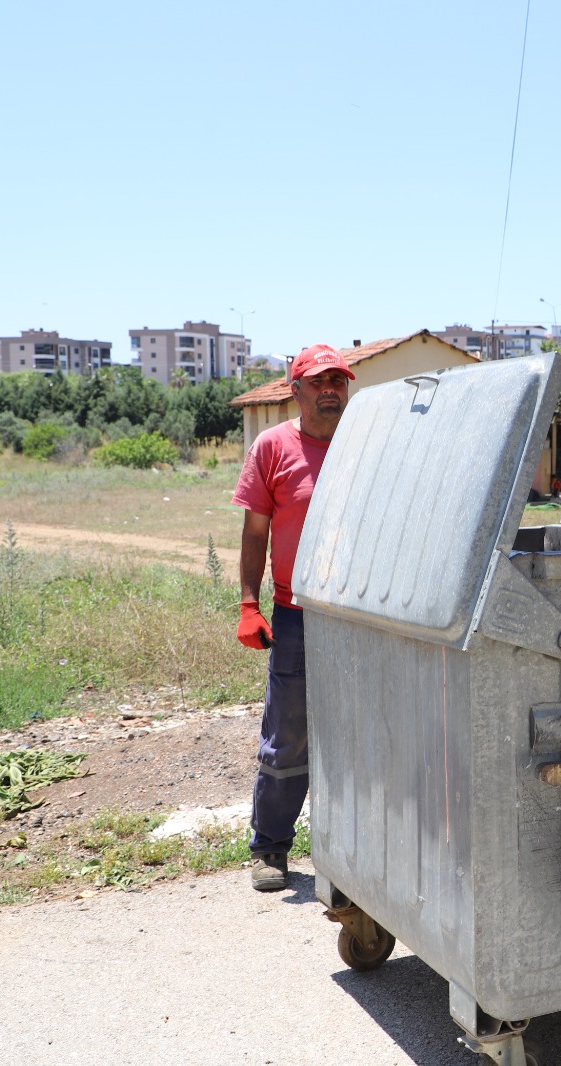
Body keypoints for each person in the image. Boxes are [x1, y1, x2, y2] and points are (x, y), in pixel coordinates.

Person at [233, 343, 355, 891]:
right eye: (319, 381)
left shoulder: (364, 444)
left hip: (360, 615)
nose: (331, 390)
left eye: (338, 381)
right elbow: (255, 533)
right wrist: (248, 604)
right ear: (296, 389)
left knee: (362, 732)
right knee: (288, 732)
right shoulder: (272, 447)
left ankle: (359, 848)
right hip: (296, 615)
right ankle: (270, 848)